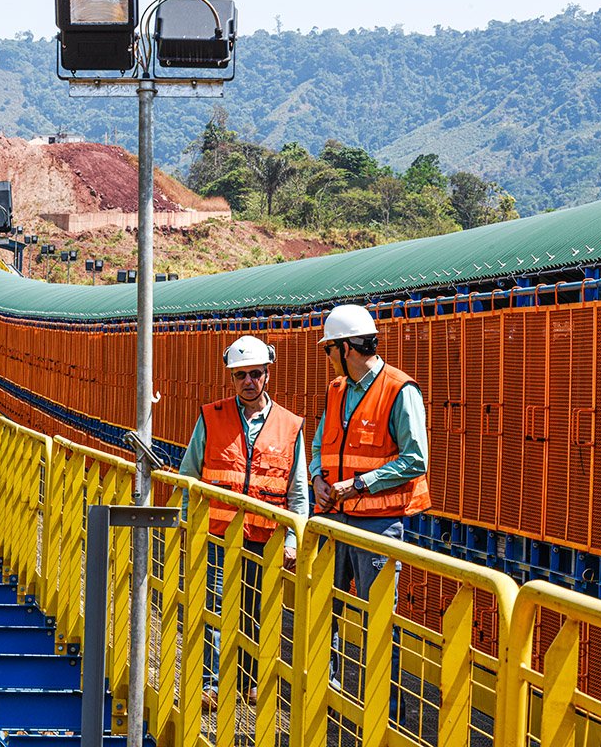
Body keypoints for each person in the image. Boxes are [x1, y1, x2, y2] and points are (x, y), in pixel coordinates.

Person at [310, 303, 430, 719]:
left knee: (379, 620)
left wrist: (360, 484)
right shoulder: (338, 389)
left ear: (346, 348)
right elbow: (319, 443)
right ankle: (328, 697)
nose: (326, 359)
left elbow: (417, 459)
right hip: (334, 517)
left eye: (328, 350)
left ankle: (384, 711)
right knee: (327, 610)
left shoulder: (401, 391)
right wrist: (317, 479)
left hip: (379, 524)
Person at [179, 335, 308, 712]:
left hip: (265, 541)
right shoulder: (211, 417)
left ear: (267, 375)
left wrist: (293, 542)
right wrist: (189, 527)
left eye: (255, 374)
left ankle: (251, 682)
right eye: (240, 376)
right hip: (218, 536)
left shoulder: (290, 425)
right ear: (231, 379)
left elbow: (298, 494)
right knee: (215, 609)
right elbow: (188, 478)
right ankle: (212, 685)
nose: (248, 382)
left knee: (257, 611)